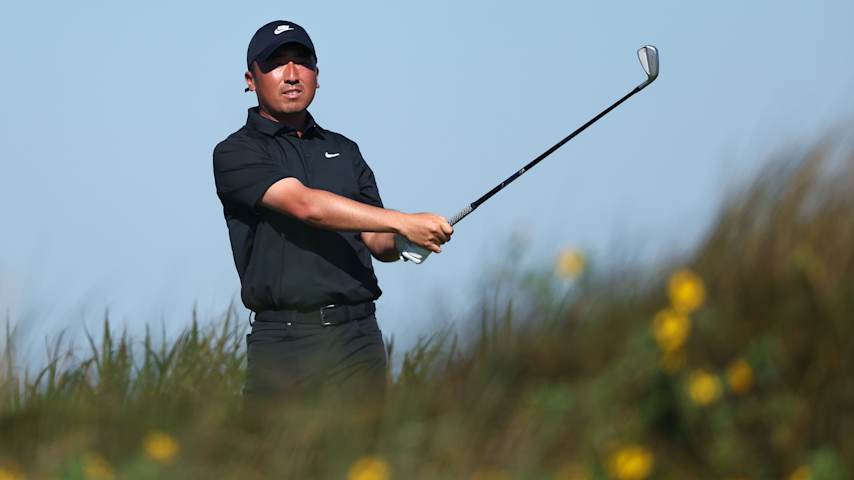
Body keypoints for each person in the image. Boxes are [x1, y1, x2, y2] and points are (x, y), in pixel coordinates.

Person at [212, 20, 453, 415]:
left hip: (357, 335)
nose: (292, 74)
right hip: (284, 338)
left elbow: (376, 241)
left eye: (302, 62)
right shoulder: (235, 152)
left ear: (317, 77)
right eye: (276, 63)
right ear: (250, 79)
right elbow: (306, 206)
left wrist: (409, 240)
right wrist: (403, 221)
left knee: (365, 463)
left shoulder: (345, 150)